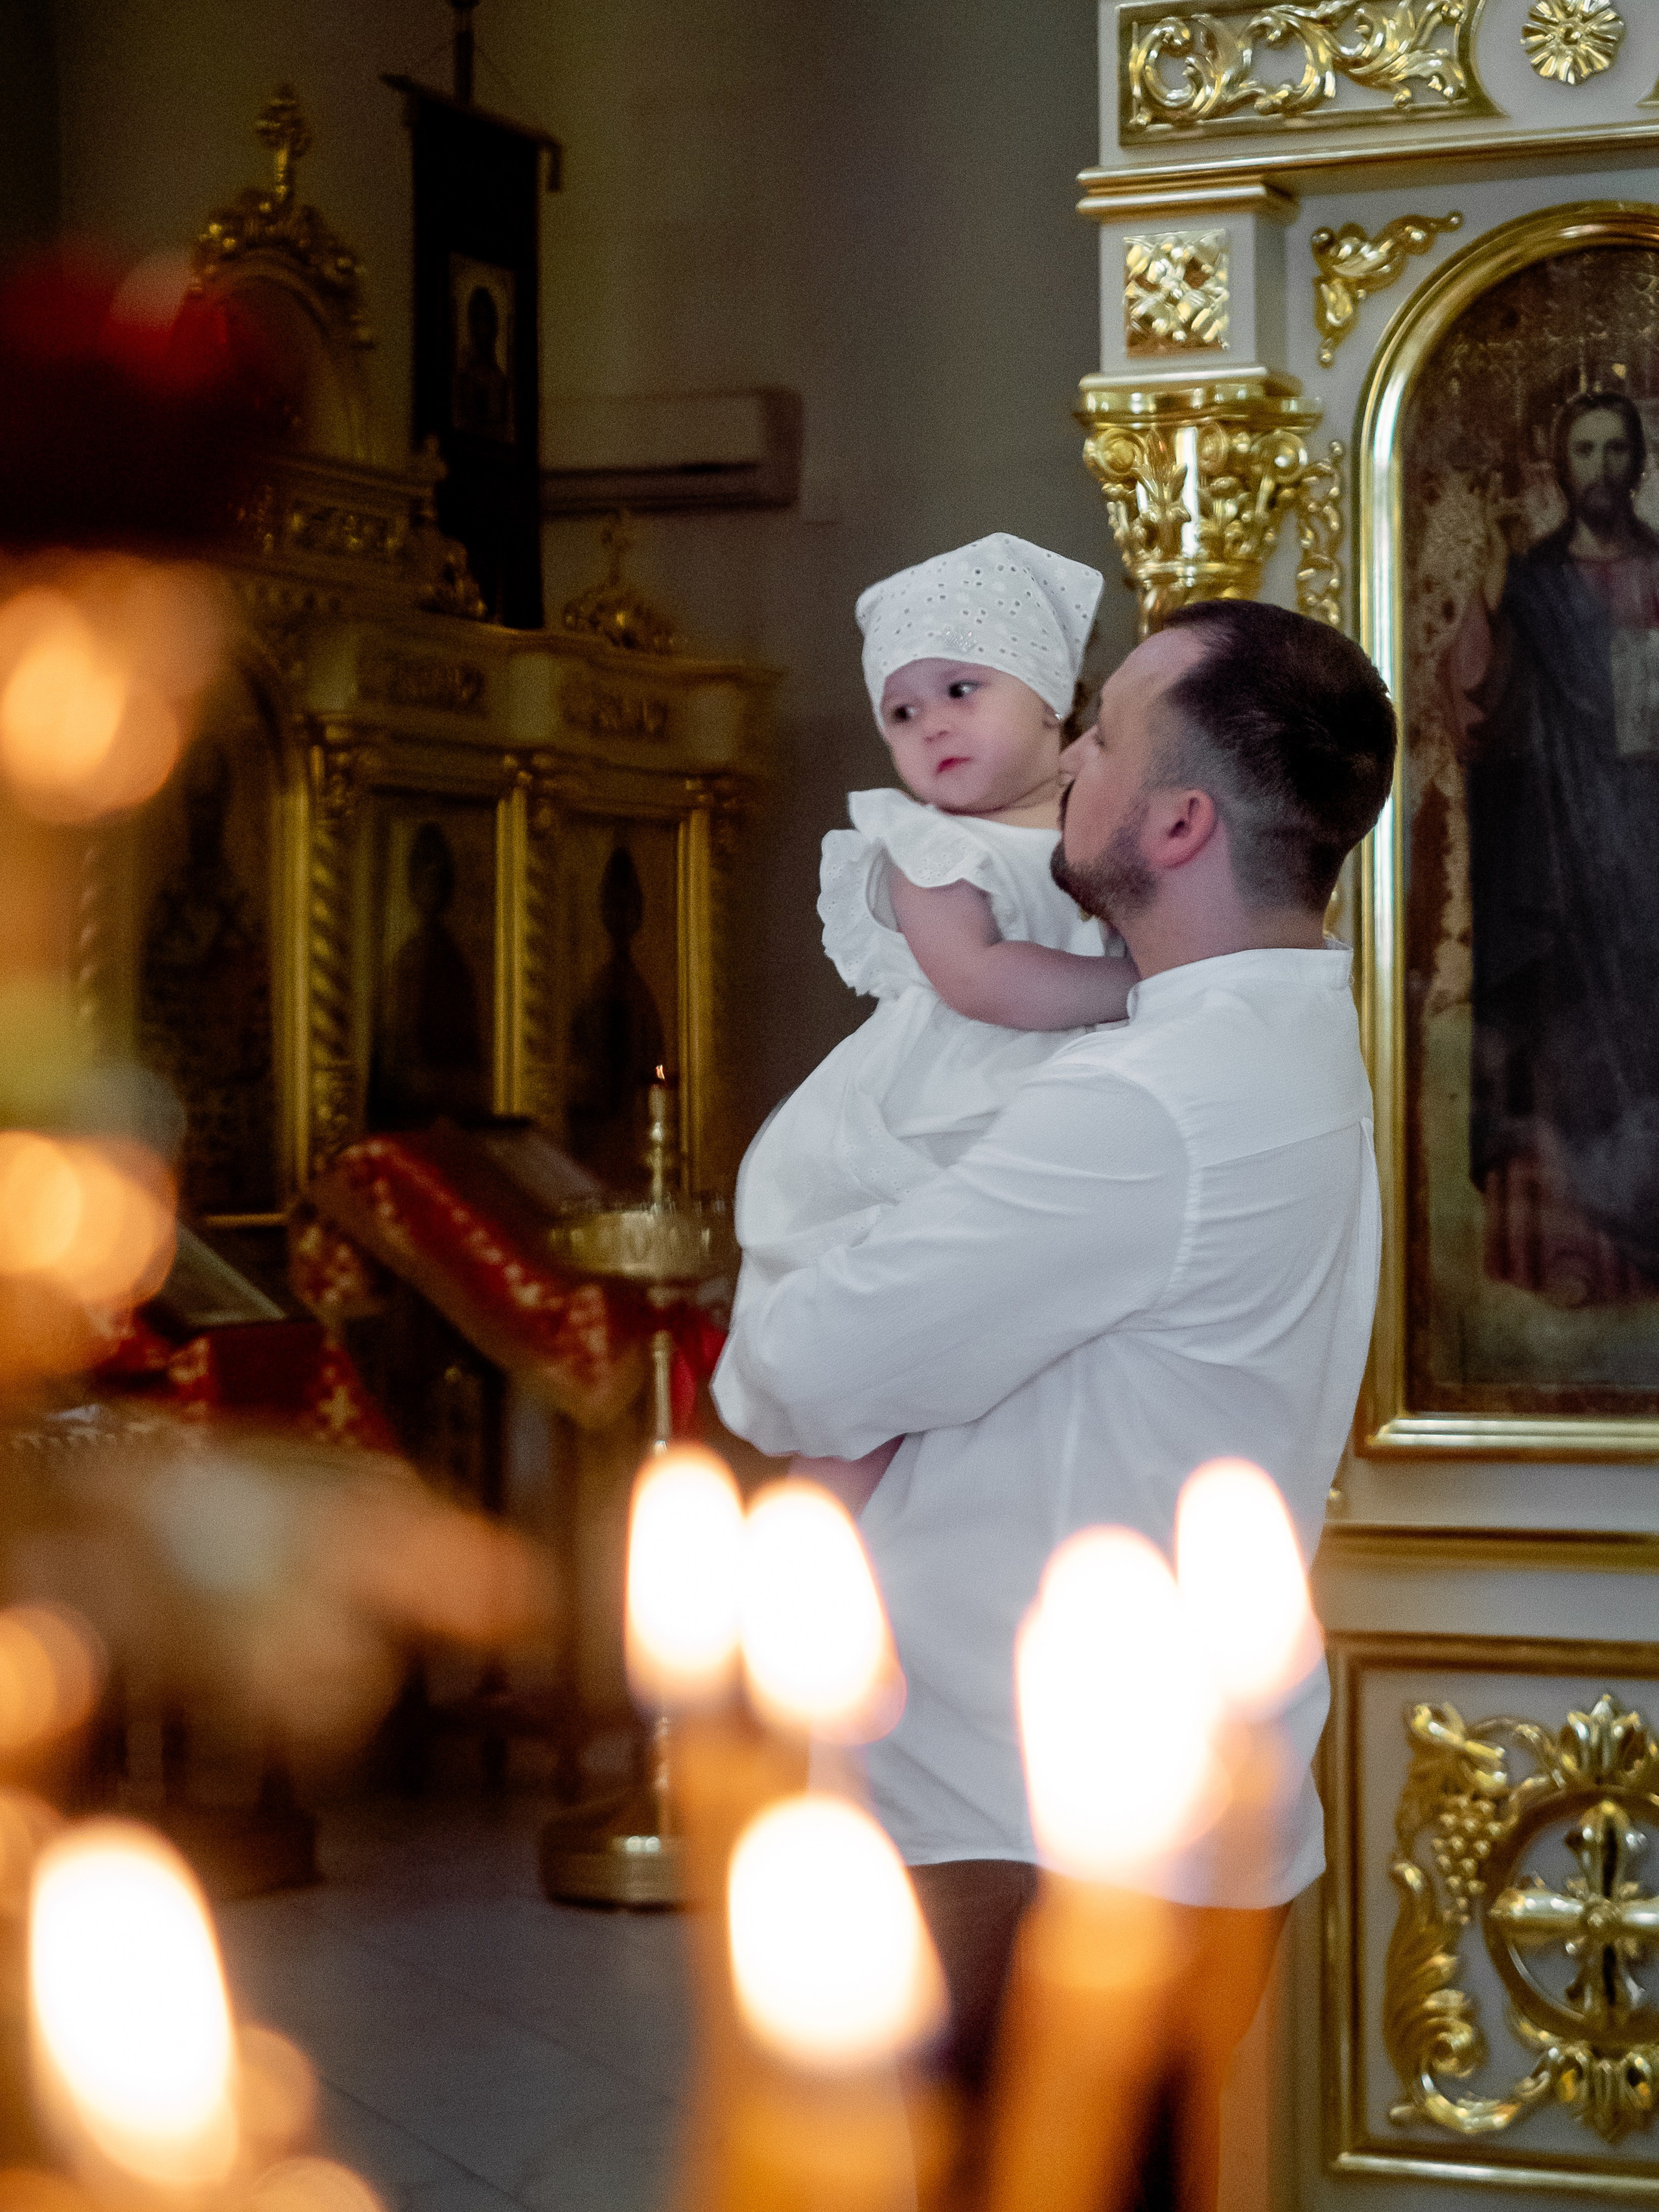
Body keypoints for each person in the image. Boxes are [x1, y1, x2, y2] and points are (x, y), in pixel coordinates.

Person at [713, 596, 1396, 2209]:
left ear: (1174, 821)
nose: (1064, 752)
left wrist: (815, 1299)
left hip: (1043, 1834)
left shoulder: (1146, 1103)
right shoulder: (1267, 1039)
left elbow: (787, 1373)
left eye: (1099, 739)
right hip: (1112, 1807)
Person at [731, 533, 1137, 1509]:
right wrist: (1138, 986)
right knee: (884, 1362)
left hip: (1060, 1093)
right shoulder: (924, 845)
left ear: (1050, 693)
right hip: (946, 1102)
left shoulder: (1101, 812)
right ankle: (814, 1534)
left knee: (1012, 1355)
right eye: (902, 710)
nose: (930, 726)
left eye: (961, 690)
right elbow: (982, 979)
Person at [1448, 388, 1659, 1305]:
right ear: (1562, 465)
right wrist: (1490, 607)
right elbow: (1478, 716)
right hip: (1557, 860)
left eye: (1618, 450)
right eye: (1586, 450)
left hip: (1650, 853)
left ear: (1640, 462)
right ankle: (1579, 1262)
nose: (1603, 469)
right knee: (1565, 1044)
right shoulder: (1528, 583)